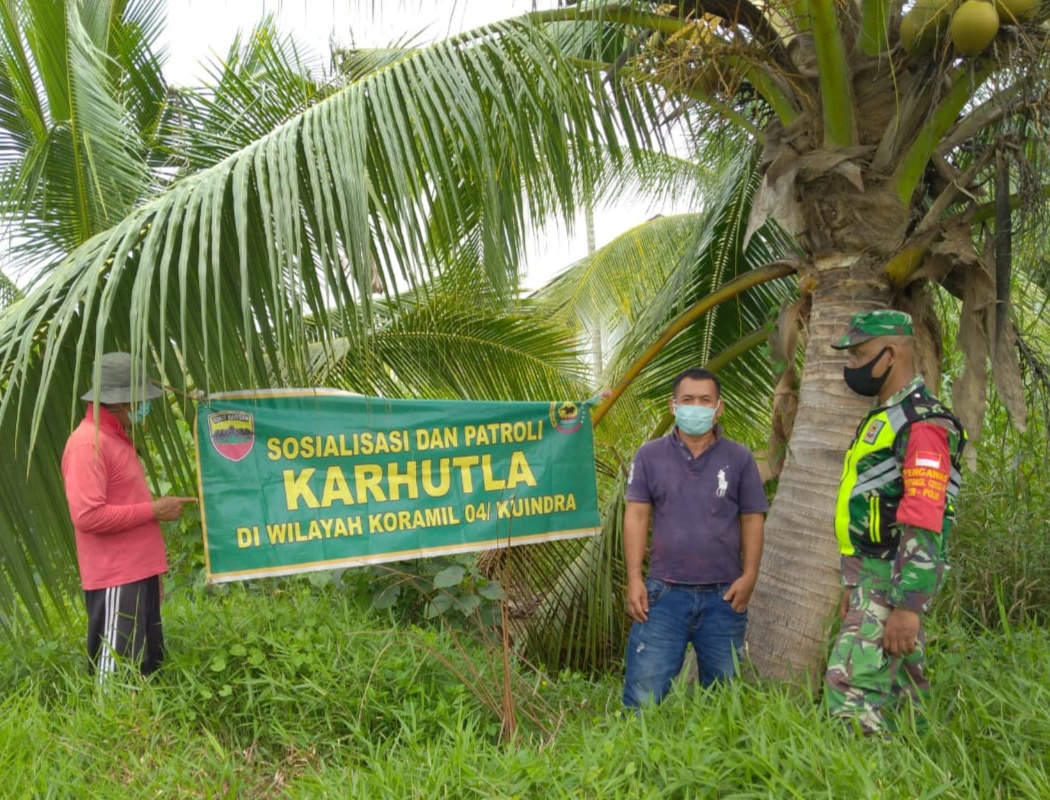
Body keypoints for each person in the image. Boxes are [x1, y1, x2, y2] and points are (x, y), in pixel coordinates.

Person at [825, 310, 965, 733]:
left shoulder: (922, 423)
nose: (852, 366)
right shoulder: (887, 416)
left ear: (891, 354)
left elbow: (924, 519)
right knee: (903, 689)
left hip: (894, 577)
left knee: (850, 687)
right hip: (873, 577)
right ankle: (912, 769)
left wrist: (908, 606)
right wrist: (855, 584)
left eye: (859, 355)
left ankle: (858, 780)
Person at [622, 367, 768, 708]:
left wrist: (750, 577)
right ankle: (638, 759)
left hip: (725, 597)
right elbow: (637, 515)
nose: (696, 407)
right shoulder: (649, 455)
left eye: (705, 400)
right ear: (674, 406)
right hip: (662, 596)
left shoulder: (739, 458)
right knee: (643, 701)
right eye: (688, 400)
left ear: (719, 408)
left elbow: (752, 519)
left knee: (723, 703)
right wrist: (633, 579)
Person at [61, 352, 197, 681]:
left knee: (147, 671)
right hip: (116, 579)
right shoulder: (87, 445)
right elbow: (88, 515)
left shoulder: (114, 439)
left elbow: (124, 504)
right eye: (137, 400)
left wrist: (153, 571)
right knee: (116, 681)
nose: (141, 407)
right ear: (119, 401)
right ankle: (111, 735)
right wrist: (155, 509)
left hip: (137, 575)